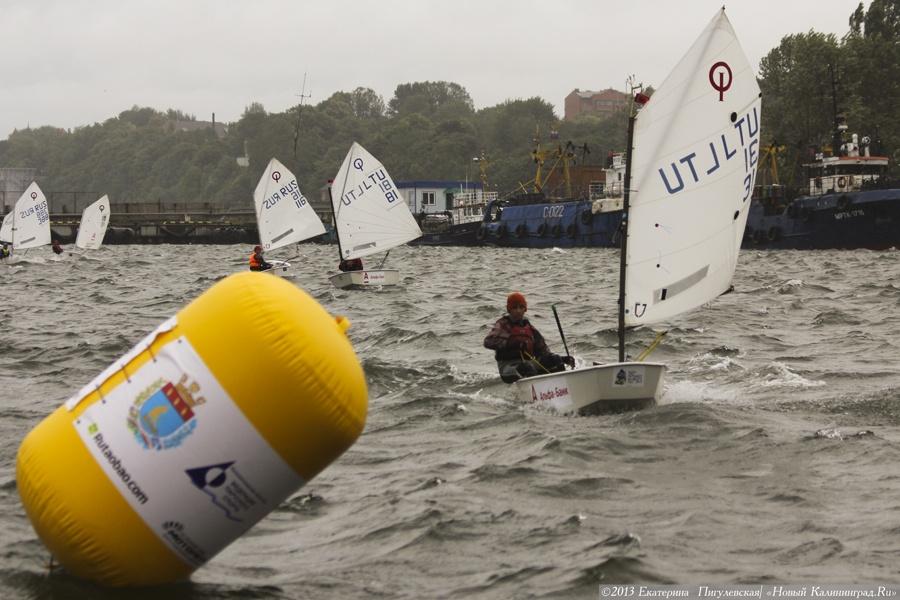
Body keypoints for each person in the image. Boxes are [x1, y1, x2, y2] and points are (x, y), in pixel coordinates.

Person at [483, 291, 575, 383]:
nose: (518, 310)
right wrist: (511, 343)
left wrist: (563, 359)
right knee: (527, 368)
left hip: (528, 364)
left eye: (521, 307)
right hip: (508, 368)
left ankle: (563, 388)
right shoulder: (503, 325)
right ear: (509, 310)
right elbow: (488, 342)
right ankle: (538, 393)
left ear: (525, 309)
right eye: (514, 308)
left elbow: (543, 352)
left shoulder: (530, 329)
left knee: (555, 360)